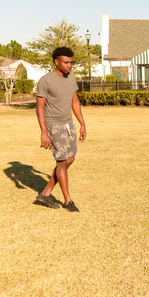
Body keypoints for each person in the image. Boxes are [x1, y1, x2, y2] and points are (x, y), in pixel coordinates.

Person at [35, 47, 86, 212]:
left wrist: (82, 124)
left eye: (71, 62)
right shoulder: (45, 80)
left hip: (68, 123)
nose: (69, 65)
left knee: (70, 159)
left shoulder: (71, 77)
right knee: (61, 162)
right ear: (56, 62)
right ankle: (68, 201)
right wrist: (44, 132)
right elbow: (40, 109)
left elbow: (75, 102)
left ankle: (46, 192)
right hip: (53, 125)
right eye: (66, 62)